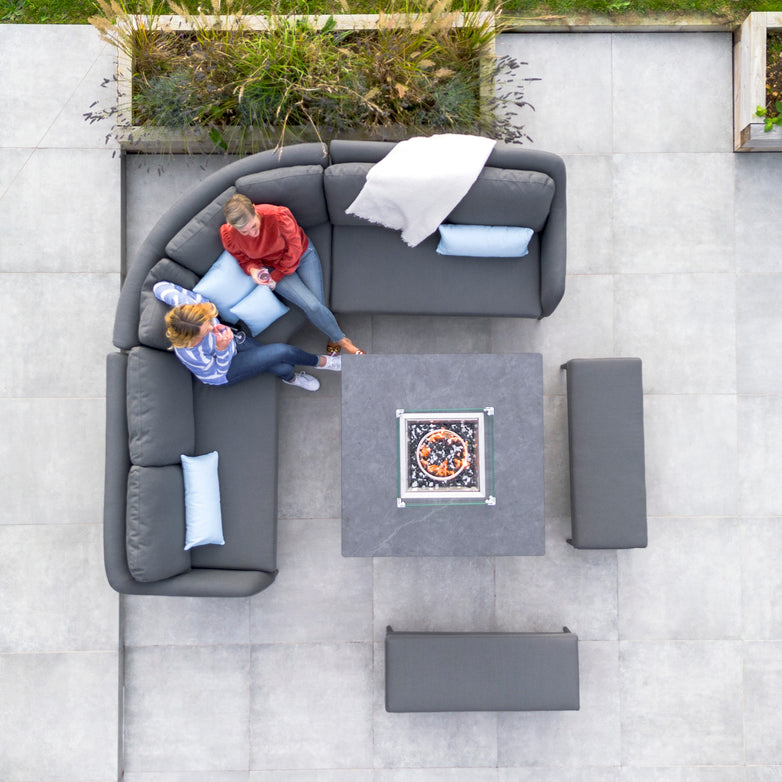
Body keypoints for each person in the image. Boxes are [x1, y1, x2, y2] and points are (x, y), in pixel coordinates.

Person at [219, 194, 365, 356]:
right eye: (244, 231)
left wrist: (276, 277)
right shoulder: (229, 235)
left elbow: (294, 250)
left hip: (302, 256)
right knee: (314, 307)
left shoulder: (278, 216)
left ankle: (333, 332)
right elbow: (243, 259)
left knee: (317, 307)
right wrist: (254, 269)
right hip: (274, 267)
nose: (252, 234)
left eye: (254, 226)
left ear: (254, 210)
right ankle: (342, 340)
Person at [154, 281, 340, 391]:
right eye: (206, 331)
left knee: (282, 365)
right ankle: (324, 363)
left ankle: (289, 378)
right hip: (223, 370)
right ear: (191, 339)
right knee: (283, 352)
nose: (213, 326)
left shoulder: (187, 306)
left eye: (210, 322)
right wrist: (222, 348)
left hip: (230, 342)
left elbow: (159, 286)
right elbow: (216, 371)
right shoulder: (190, 353)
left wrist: (222, 337)